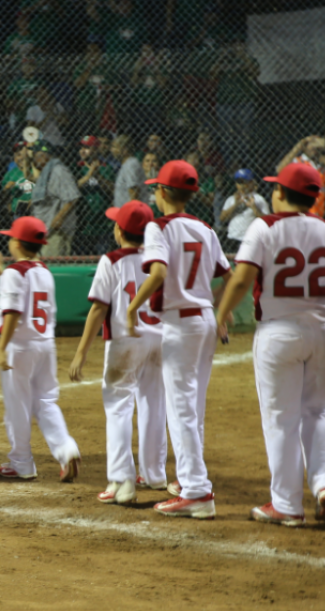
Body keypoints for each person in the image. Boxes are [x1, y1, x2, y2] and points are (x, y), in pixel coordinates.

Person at [215, 162, 325, 527]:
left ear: (279, 194)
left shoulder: (264, 226)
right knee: (319, 411)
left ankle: (287, 504)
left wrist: (221, 314)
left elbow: (242, 280)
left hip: (279, 331)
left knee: (281, 419)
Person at [127, 160, 231, 520]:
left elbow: (158, 273)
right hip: (204, 321)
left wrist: (132, 308)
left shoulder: (159, 227)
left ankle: (197, 492)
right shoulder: (204, 228)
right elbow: (227, 274)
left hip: (181, 325)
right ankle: (191, 481)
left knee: (181, 409)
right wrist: (225, 312)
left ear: (162, 192)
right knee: (193, 407)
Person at [69, 201, 166, 504]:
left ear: (119, 230)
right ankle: (154, 473)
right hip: (160, 339)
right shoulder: (160, 258)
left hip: (126, 340)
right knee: (154, 404)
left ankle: (121, 480)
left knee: (119, 406)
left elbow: (98, 309)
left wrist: (81, 352)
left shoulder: (111, 260)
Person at [0, 216, 81, 482]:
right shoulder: (43, 270)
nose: (8, 240)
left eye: (11, 237)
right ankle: (66, 449)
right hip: (45, 344)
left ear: (18, 243)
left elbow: (12, 312)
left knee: (17, 405)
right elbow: (27, 295)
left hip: (19, 347)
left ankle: (21, 462)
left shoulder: (14, 273)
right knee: (45, 401)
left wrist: (1, 347)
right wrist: (3, 274)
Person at [29, 143, 80, 258]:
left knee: (52, 268)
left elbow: (73, 197)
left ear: (46, 156)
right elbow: (28, 175)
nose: (35, 160)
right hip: (44, 231)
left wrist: (58, 219)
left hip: (56, 232)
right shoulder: (45, 173)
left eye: (37, 156)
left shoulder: (58, 171)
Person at [218, 169, 269, 253]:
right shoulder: (231, 199)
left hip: (250, 239)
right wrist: (235, 204)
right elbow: (222, 218)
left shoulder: (259, 199)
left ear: (251, 182)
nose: (241, 185)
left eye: (244, 182)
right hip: (232, 239)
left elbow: (267, 221)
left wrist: (254, 208)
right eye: (239, 182)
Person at [111, 135, 146, 207]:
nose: (112, 150)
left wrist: (132, 213)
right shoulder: (126, 164)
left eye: (115, 147)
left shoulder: (130, 165)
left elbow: (134, 191)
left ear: (124, 150)